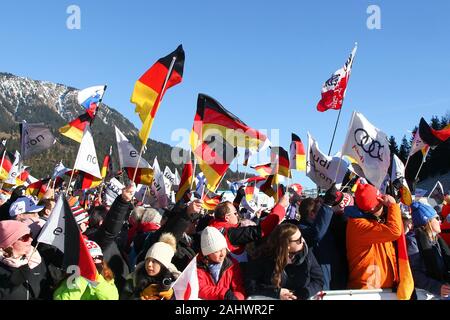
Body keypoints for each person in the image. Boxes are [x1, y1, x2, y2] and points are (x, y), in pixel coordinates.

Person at [344, 183, 402, 290]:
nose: (383, 205)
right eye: (380, 204)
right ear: (372, 209)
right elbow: (395, 231)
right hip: (368, 291)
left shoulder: (370, 221)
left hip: (381, 288)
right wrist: (393, 206)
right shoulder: (359, 226)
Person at [244, 223, 324, 300]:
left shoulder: (306, 253)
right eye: (298, 240)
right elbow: (251, 285)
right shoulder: (263, 256)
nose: (303, 240)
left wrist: (305, 292)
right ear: (287, 245)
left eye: (302, 236)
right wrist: (276, 293)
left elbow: (318, 280)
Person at [207, 194, 288, 262]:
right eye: (235, 213)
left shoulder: (211, 229)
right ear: (227, 218)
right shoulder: (230, 233)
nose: (238, 215)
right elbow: (261, 230)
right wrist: (280, 207)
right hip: (235, 276)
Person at [87, 183, 135, 294]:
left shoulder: (91, 238)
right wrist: (122, 202)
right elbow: (110, 229)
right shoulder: (96, 241)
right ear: (102, 222)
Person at [407, 201, 450, 300]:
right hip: (425, 293)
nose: (440, 221)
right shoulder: (412, 241)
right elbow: (414, 273)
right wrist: (436, 287)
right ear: (428, 221)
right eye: (437, 218)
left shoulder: (436, 239)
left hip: (442, 290)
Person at [0, 220, 54, 299]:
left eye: (30, 235)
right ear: (10, 243)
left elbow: (45, 289)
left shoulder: (35, 259)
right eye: (25, 237)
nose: (31, 239)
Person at [53, 240, 119, 300]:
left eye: (98, 257)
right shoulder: (69, 279)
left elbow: (112, 297)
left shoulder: (106, 277)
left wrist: (95, 278)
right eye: (90, 260)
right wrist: (83, 277)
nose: (95, 261)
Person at [121, 233, 180, 300]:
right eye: (147, 260)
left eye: (154, 261)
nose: (149, 264)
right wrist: (141, 296)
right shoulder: (133, 279)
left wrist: (172, 297)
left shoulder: (175, 283)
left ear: (163, 265)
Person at [197, 227, 246, 300]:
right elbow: (201, 289)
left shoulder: (232, 264)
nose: (222, 254)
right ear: (207, 254)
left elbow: (239, 288)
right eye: (217, 251)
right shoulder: (198, 267)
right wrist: (224, 293)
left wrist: (236, 297)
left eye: (223, 249)